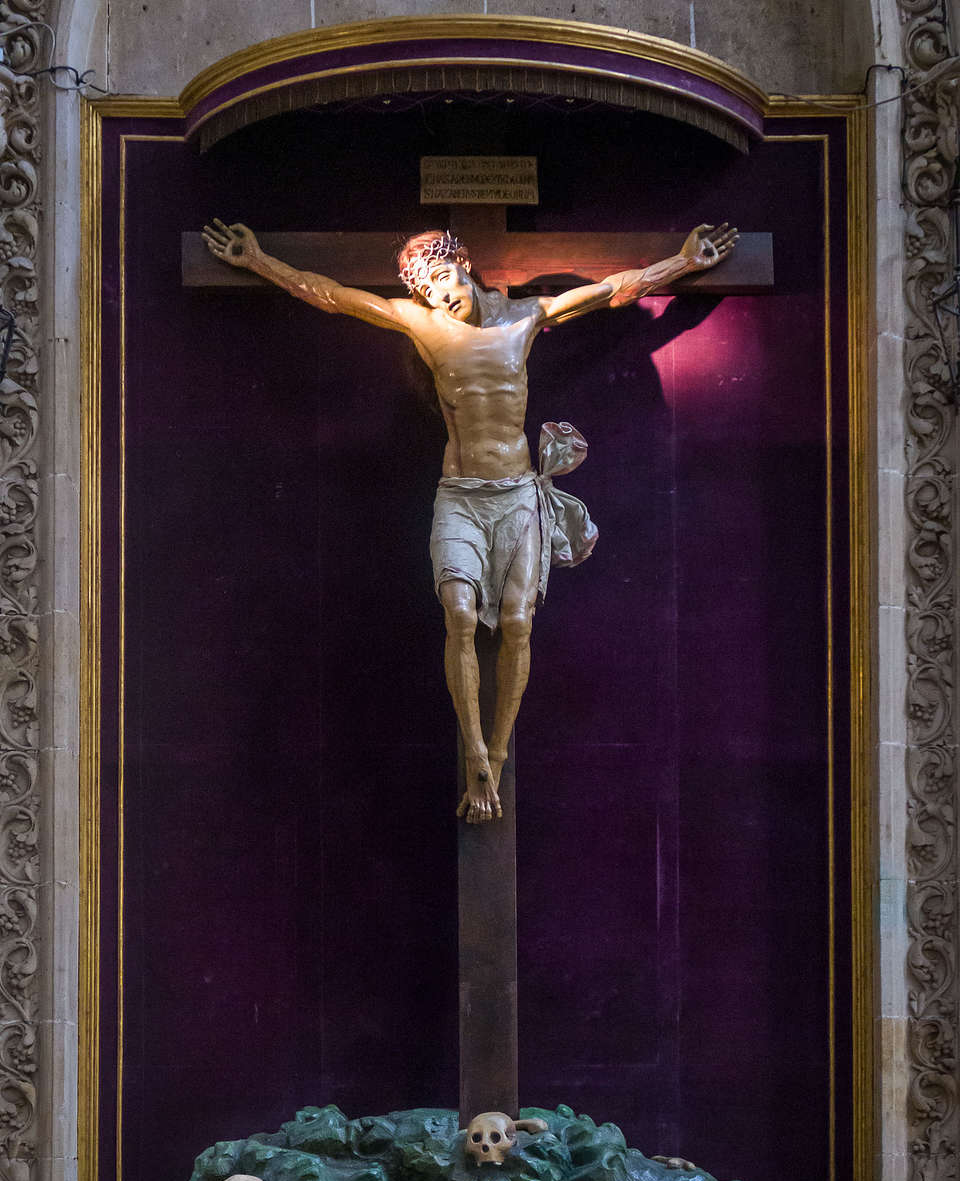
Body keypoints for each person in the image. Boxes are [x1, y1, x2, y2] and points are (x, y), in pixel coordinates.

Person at [203, 218, 737, 822]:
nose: (439, 296)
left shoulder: (527, 316)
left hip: (514, 496)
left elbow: (616, 289)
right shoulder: (423, 324)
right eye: (427, 290)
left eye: (442, 278)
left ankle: (498, 758)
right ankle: (476, 757)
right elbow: (329, 294)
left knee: (516, 623)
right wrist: (259, 261)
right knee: (458, 616)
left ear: (464, 264)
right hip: (459, 494)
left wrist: (684, 264)